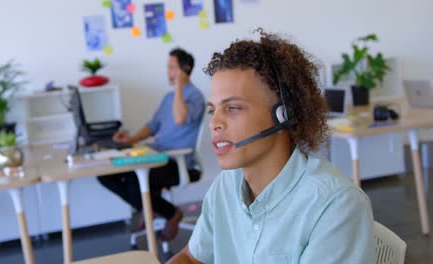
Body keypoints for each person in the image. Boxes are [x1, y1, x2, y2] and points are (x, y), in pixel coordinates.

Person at [168, 29, 375, 263]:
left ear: (283, 115)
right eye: (212, 110)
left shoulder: (335, 206)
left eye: (233, 108)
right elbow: (190, 257)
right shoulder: (226, 185)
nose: (214, 123)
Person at [97, 48, 205, 241]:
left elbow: (180, 118)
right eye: (168, 68)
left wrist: (180, 86)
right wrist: (131, 140)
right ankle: (149, 209)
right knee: (106, 175)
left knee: (134, 180)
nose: (168, 72)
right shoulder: (168, 97)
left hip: (175, 162)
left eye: (172, 68)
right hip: (156, 156)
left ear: (185, 69)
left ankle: (171, 213)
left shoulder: (195, 96)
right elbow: (153, 125)